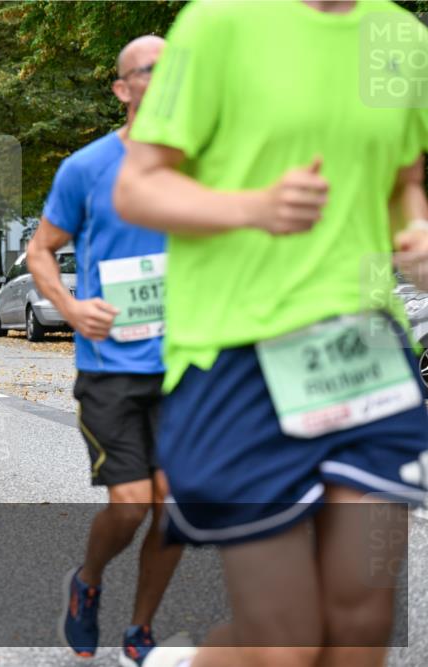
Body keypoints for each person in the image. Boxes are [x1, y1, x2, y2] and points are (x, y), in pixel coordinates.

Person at [112, 3, 428, 667]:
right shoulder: (219, 23)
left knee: (362, 619)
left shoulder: (400, 36)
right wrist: (251, 208)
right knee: (285, 644)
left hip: (365, 347)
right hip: (238, 357)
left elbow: (404, 180)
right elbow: (138, 189)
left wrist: (417, 232)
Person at [27, 35, 182, 666]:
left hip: (187, 366)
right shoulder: (86, 168)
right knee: (132, 503)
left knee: (173, 507)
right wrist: (69, 307)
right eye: (151, 70)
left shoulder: (207, 164)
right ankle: (88, 581)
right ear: (122, 89)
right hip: (110, 366)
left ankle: (140, 630)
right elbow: (41, 250)